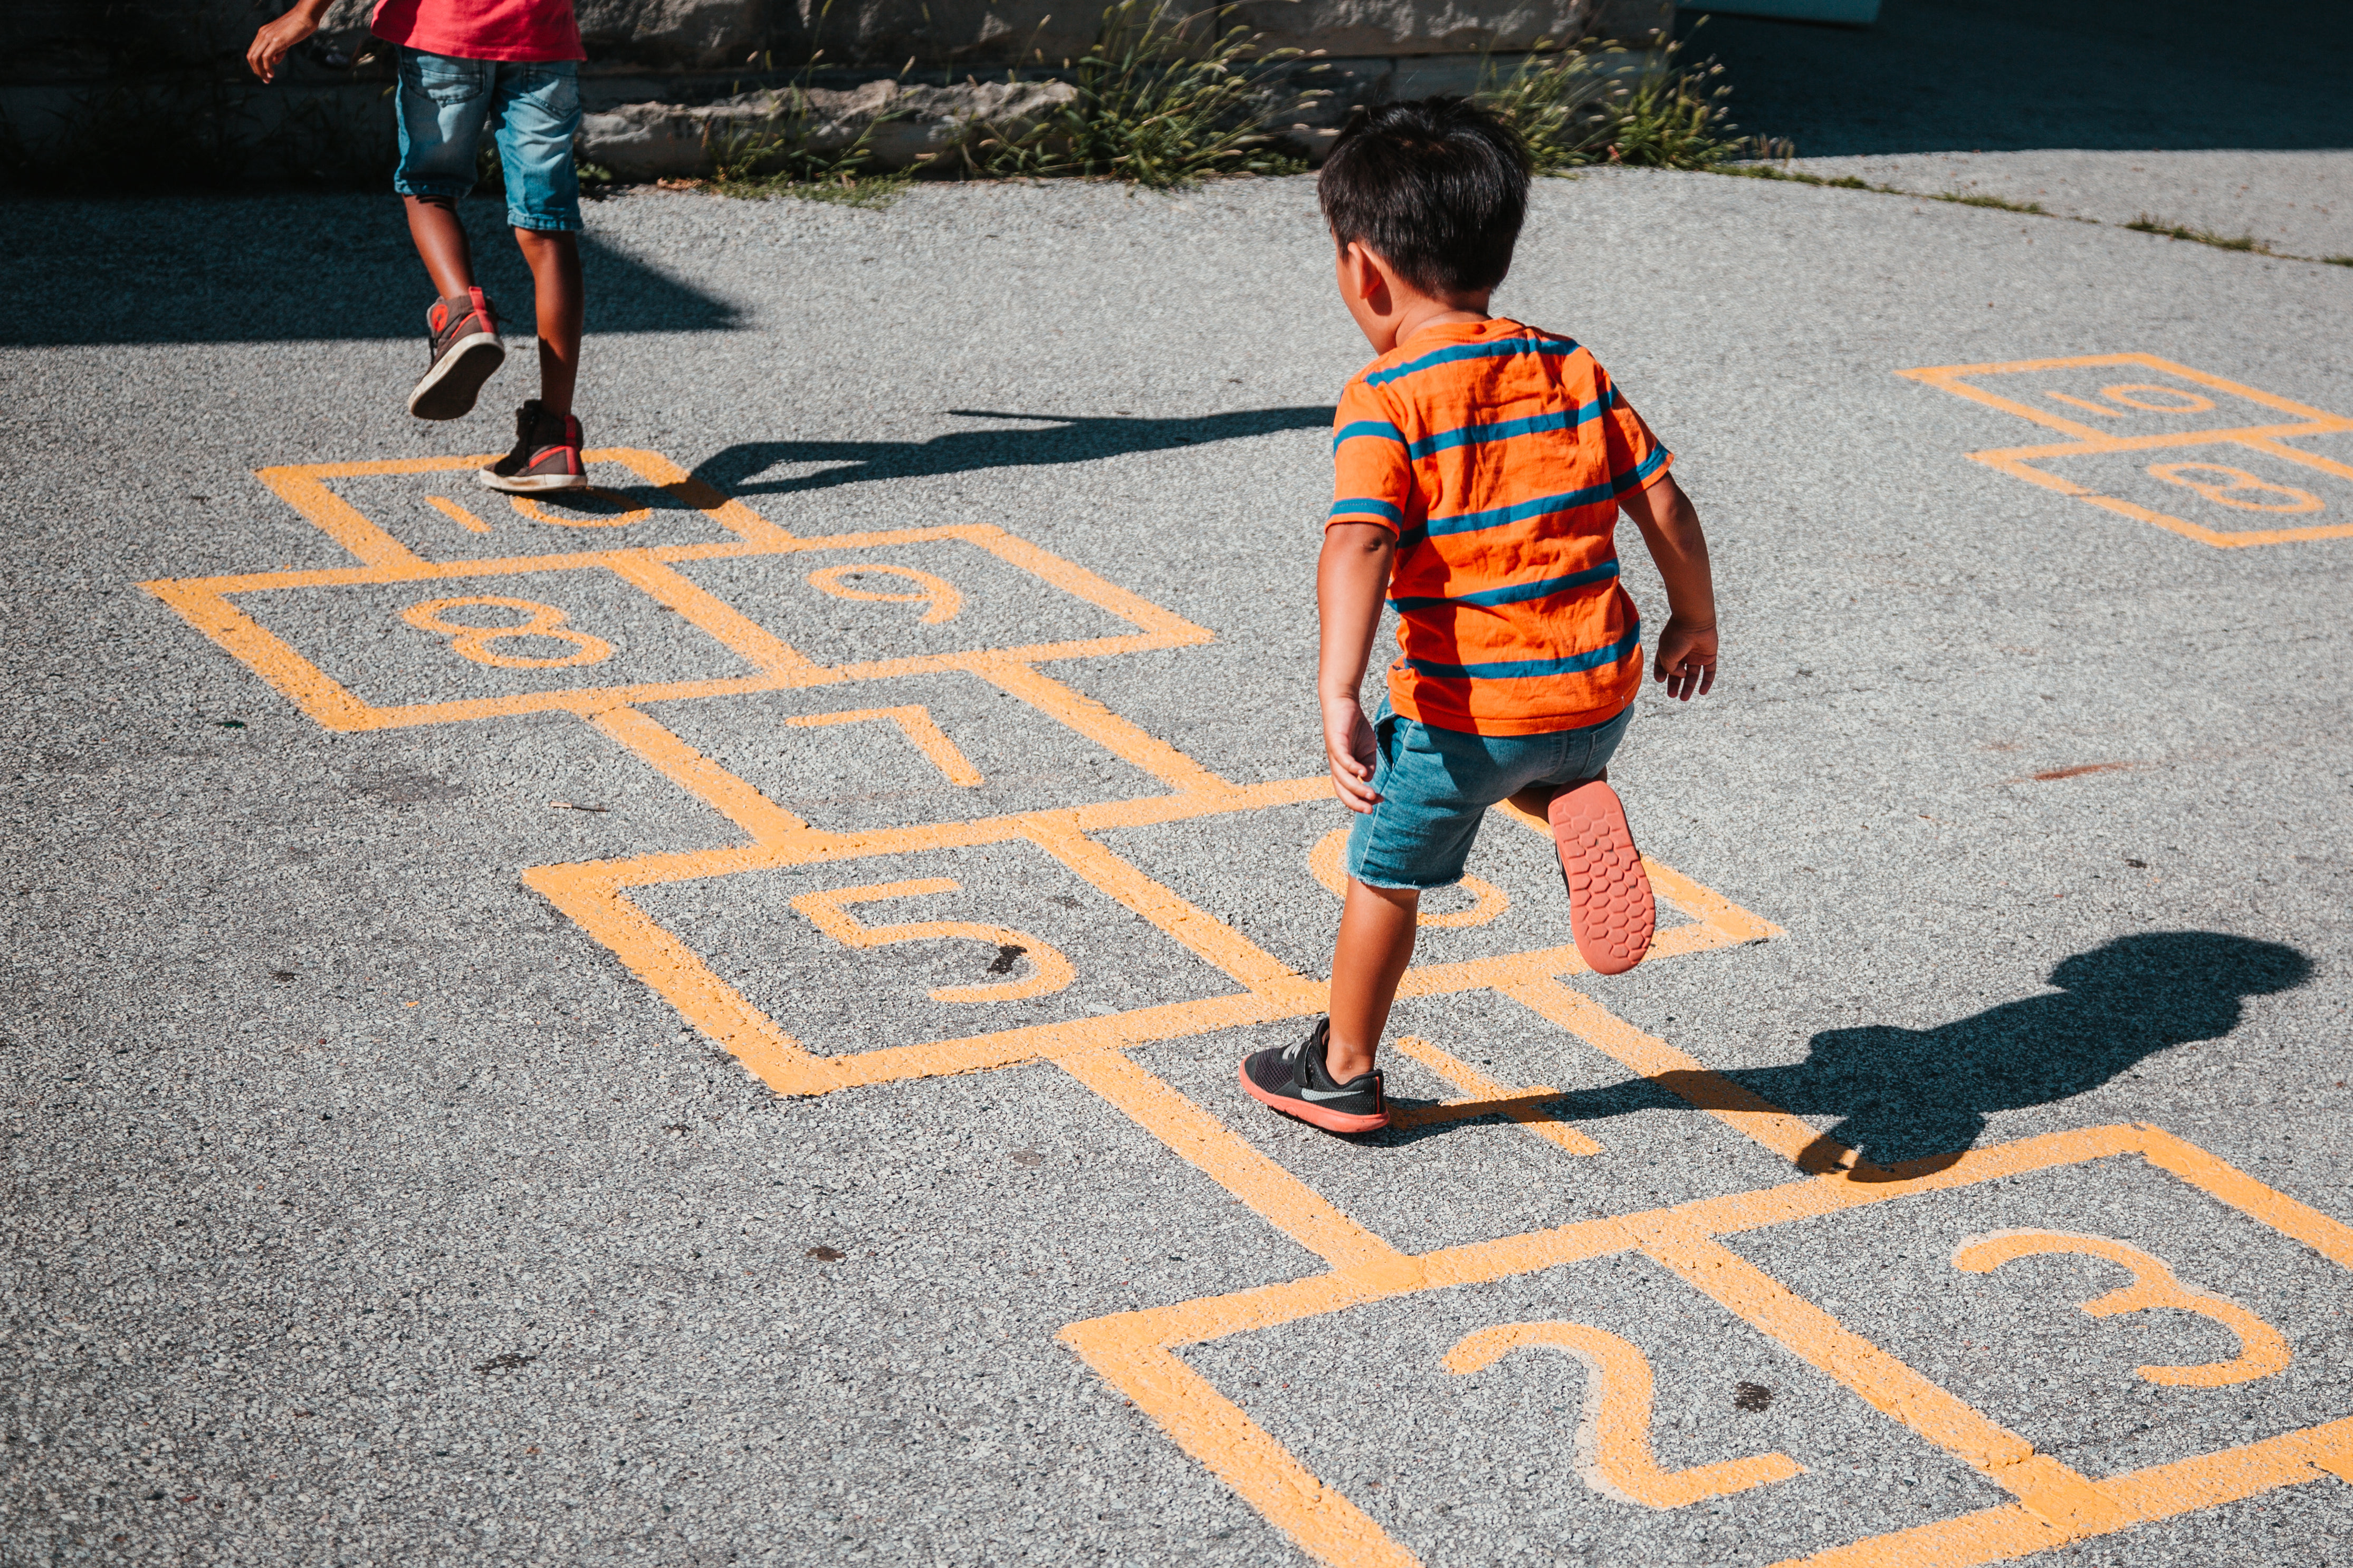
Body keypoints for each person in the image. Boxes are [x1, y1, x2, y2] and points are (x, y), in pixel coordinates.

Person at [1240, 97, 1720, 1136]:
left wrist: (1334, 691)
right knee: (1539, 749)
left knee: (1383, 870)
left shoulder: (1388, 395)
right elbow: (1666, 502)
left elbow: (1359, 540)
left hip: (1469, 723)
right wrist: (1695, 622)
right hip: (1600, 698)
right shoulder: (1570, 367)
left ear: (1362, 270)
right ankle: (1568, 796)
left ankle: (1340, 1066)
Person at [248, 0, 592, 493]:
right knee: (548, 229)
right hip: (542, 37)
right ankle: (553, 440)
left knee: (429, 188)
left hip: (444, 31)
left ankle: (464, 314)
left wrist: (307, 12)